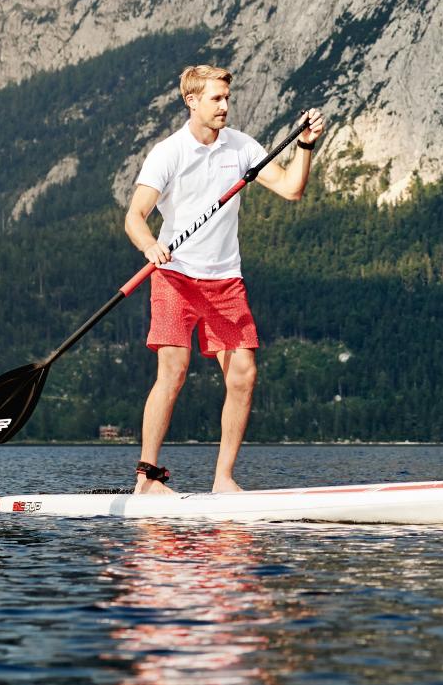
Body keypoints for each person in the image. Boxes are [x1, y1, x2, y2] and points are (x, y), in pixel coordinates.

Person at [125, 65, 323, 495]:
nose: (225, 106)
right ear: (192, 101)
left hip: (224, 281)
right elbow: (135, 216)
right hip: (175, 276)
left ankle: (223, 479)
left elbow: (291, 189)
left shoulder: (242, 147)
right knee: (173, 372)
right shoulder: (168, 153)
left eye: (227, 98)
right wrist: (149, 247)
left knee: (243, 374)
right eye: (216, 99)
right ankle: (147, 479)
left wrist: (305, 147)